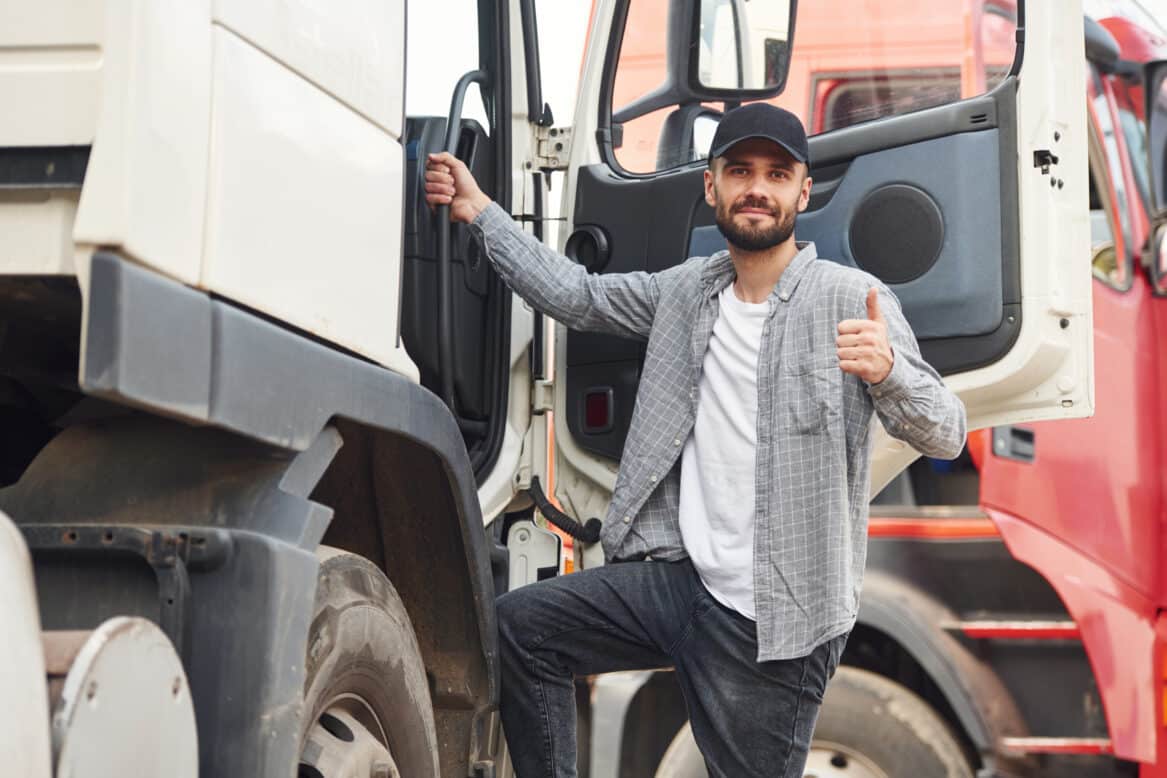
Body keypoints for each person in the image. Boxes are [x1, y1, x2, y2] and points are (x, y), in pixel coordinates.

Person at [424, 103, 966, 778]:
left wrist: (887, 374)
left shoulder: (850, 298)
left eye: (776, 173)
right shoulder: (688, 291)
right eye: (739, 171)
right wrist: (483, 213)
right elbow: (578, 297)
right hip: (681, 585)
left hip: (776, 621)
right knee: (522, 628)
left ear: (802, 191)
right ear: (711, 188)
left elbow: (946, 430)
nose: (757, 188)